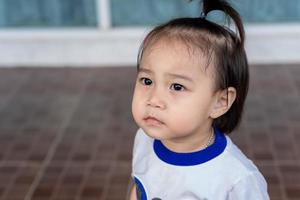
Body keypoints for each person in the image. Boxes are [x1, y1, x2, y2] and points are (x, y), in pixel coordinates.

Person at [129, 0, 269, 199]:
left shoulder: (236, 182)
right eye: (147, 80)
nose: (154, 99)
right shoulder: (144, 140)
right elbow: (141, 187)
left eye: (177, 86)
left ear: (219, 102)